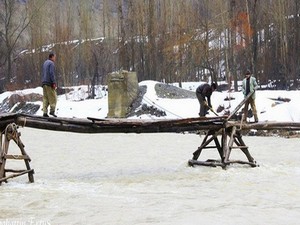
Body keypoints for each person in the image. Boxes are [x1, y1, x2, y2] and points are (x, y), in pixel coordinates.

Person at [42, 53, 57, 117]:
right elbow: (51, 73)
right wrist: (53, 82)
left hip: (44, 83)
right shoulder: (51, 63)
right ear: (52, 57)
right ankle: (52, 111)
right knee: (53, 98)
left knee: (45, 98)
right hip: (49, 83)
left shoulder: (45, 63)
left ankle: (45, 112)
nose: (55, 58)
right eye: (54, 57)